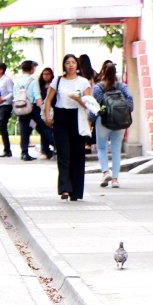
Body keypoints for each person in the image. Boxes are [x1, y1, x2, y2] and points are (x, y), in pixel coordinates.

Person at [44, 54, 92, 201]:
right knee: (63, 154)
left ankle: (76, 191)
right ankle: (64, 188)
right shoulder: (58, 80)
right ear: (64, 65)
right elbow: (48, 100)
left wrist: (79, 99)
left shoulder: (83, 82)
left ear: (77, 65)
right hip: (61, 117)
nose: (70, 65)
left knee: (77, 155)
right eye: (67, 63)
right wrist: (47, 116)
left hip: (77, 117)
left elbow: (89, 104)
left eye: (73, 62)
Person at [93, 61, 134, 189]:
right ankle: (115, 179)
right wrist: (125, 112)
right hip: (120, 122)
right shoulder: (122, 86)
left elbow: (95, 106)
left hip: (103, 121)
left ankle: (105, 172)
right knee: (116, 149)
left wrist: (90, 120)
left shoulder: (98, 88)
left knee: (102, 148)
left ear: (103, 72)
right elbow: (130, 101)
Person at [16, 60, 52, 161]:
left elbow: (15, 96)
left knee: (24, 131)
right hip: (32, 108)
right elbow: (37, 97)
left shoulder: (17, 80)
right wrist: (44, 109)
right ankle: (56, 146)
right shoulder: (33, 80)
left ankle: (24, 153)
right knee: (44, 128)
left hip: (21, 107)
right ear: (31, 68)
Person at [0, 62, 14, 158]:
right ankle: (6, 149)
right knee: (1, 127)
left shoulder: (7, 80)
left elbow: (12, 92)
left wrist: (3, 99)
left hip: (5, 105)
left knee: (1, 124)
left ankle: (7, 149)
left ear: (1, 70)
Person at [35, 67, 56, 159]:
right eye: (44, 74)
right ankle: (45, 149)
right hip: (40, 110)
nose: (46, 76)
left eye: (48, 74)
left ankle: (49, 148)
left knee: (48, 129)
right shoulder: (39, 86)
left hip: (51, 110)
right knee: (42, 129)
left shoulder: (54, 85)